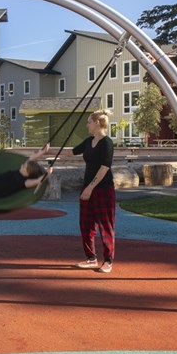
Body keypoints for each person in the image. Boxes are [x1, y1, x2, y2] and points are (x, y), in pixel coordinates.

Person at [72, 111, 116, 273]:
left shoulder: (107, 143)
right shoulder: (89, 141)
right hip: (87, 188)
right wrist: (48, 151)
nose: (87, 124)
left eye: (89, 122)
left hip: (103, 189)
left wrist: (90, 188)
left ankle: (108, 261)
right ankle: (91, 258)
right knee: (86, 225)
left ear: (97, 122)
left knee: (105, 225)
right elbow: (72, 151)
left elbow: (105, 168)